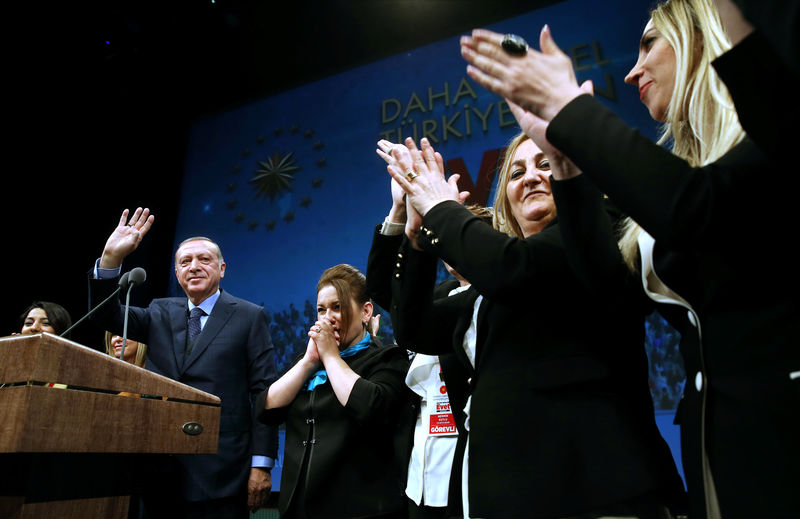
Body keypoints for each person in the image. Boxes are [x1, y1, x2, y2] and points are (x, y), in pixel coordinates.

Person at [459, 1, 800, 517]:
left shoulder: (771, 124)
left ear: (698, 35)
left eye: (648, 44)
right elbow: (611, 291)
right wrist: (566, 165)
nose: (633, 68)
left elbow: (697, 210)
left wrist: (568, 108)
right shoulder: (684, 167)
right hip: (724, 445)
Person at [384, 135, 685, 519]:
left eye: (545, 165)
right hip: (510, 497)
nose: (531, 178)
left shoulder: (598, 234)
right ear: (505, 196)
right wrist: (418, 243)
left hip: (598, 495)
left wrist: (440, 207)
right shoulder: (489, 290)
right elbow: (415, 328)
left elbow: (515, 269)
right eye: (517, 172)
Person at [87, 207, 278, 518]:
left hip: (222, 472)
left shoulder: (249, 316)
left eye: (204, 259)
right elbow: (104, 315)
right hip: (160, 471)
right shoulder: (160, 312)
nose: (194, 267)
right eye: (185, 262)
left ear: (222, 268)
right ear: (176, 273)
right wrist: (110, 260)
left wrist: (261, 464)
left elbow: (263, 393)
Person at [366, 162, 486, 519]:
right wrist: (399, 211)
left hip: (468, 455)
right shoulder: (438, 296)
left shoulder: (492, 293)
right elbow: (383, 291)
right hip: (419, 464)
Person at [256, 264, 411, 519]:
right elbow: (266, 409)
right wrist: (307, 362)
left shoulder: (387, 358)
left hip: (360, 509)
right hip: (298, 509)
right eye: (321, 309)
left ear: (366, 311)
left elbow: (371, 407)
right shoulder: (308, 364)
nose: (327, 317)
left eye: (337, 307)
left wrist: (330, 356)